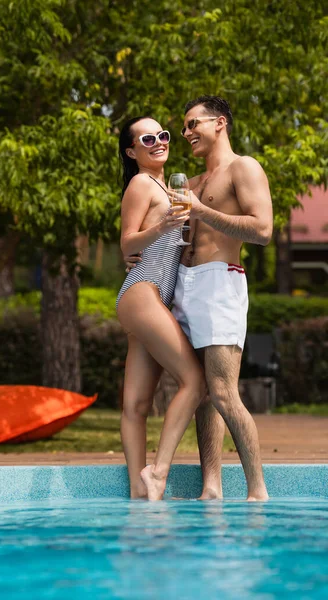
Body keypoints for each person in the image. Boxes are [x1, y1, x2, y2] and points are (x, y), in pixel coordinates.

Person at [127, 96, 273, 502]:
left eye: (193, 124)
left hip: (219, 282)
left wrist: (201, 212)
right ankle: (212, 486)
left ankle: (257, 492)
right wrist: (140, 259)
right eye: (185, 126)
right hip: (184, 284)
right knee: (201, 393)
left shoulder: (243, 168)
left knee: (223, 391)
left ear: (220, 123)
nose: (187, 133)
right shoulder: (188, 183)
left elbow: (262, 230)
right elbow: (167, 238)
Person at [116, 116, 206, 501]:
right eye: (147, 139)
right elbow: (126, 243)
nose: (159, 142)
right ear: (132, 151)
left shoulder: (167, 186)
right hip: (143, 292)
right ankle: (159, 472)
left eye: (163, 135)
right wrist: (162, 225)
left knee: (136, 404)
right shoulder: (140, 183)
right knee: (196, 381)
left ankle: (139, 490)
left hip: (148, 298)